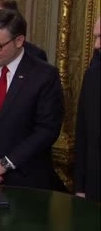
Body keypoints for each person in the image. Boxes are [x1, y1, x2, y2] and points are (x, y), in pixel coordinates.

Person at [0, 9, 64, 189]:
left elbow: (47, 130)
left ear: (19, 41)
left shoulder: (44, 75)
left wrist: (3, 164)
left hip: (27, 180)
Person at [74, 17, 100, 202]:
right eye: (96, 37)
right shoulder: (93, 76)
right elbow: (83, 134)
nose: (97, 45)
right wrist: (81, 187)